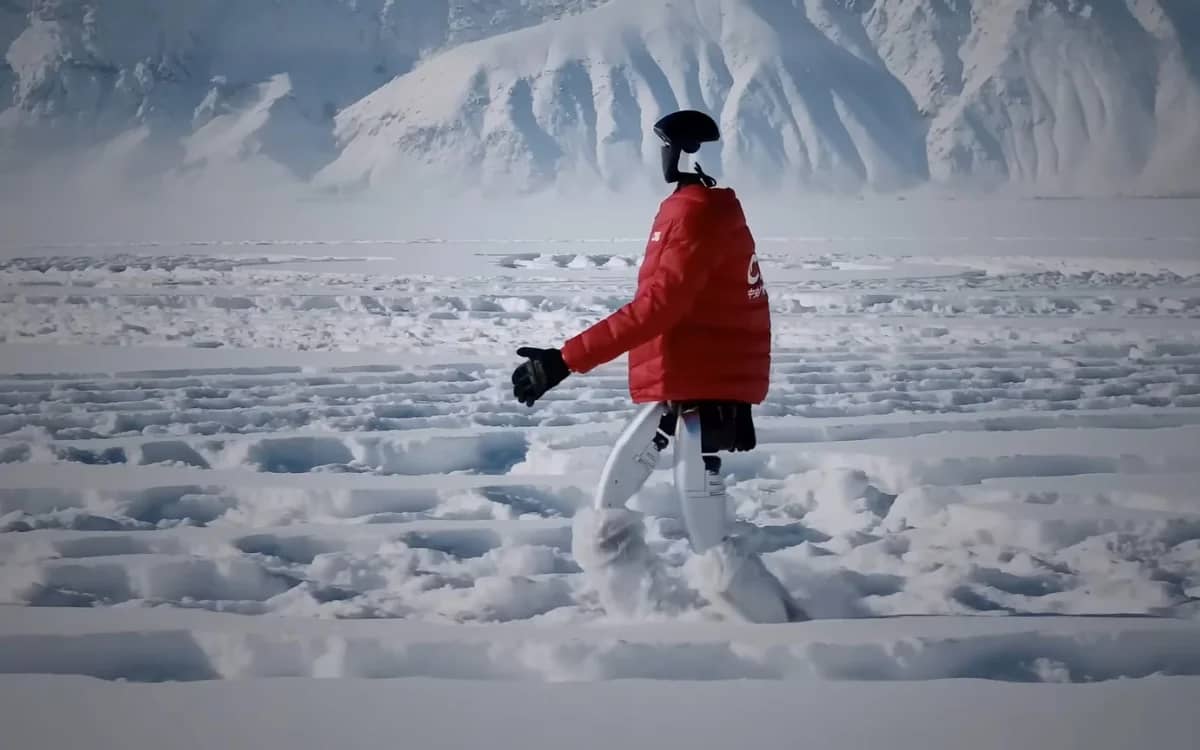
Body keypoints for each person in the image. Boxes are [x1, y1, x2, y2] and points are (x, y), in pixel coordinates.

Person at [511, 110, 806, 623]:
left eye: (664, 146)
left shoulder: (696, 214)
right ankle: (643, 612)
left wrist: (563, 361)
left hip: (699, 386)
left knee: (706, 533)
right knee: (615, 501)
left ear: (679, 151)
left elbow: (659, 307)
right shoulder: (700, 209)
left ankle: (781, 638)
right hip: (688, 381)